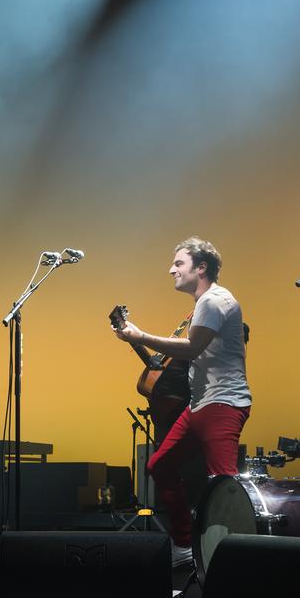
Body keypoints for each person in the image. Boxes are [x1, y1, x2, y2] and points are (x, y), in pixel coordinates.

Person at [113, 237, 251, 568]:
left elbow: (191, 349)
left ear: (201, 268)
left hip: (223, 404)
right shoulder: (203, 303)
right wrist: (138, 339)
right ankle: (185, 546)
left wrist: (140, 335)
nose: (171, 269)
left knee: (223, 487)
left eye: (179, 264)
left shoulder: (214, 300)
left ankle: (227, 564)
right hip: (202, 404)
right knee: (160, 465)